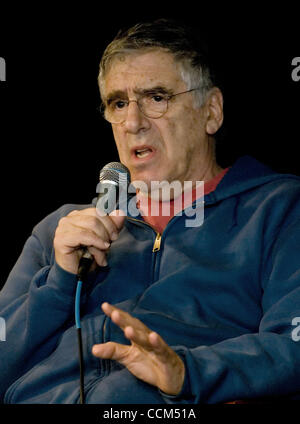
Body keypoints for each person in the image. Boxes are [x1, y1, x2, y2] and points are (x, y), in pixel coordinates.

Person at [1, 18, 300, 404]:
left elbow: (292, 344)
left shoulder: (277, 210)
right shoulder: (62, 231)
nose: (133, 123)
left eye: (157, 98)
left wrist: (187, 373)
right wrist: (59, 281)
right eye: (118, 103)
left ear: (211, 112)